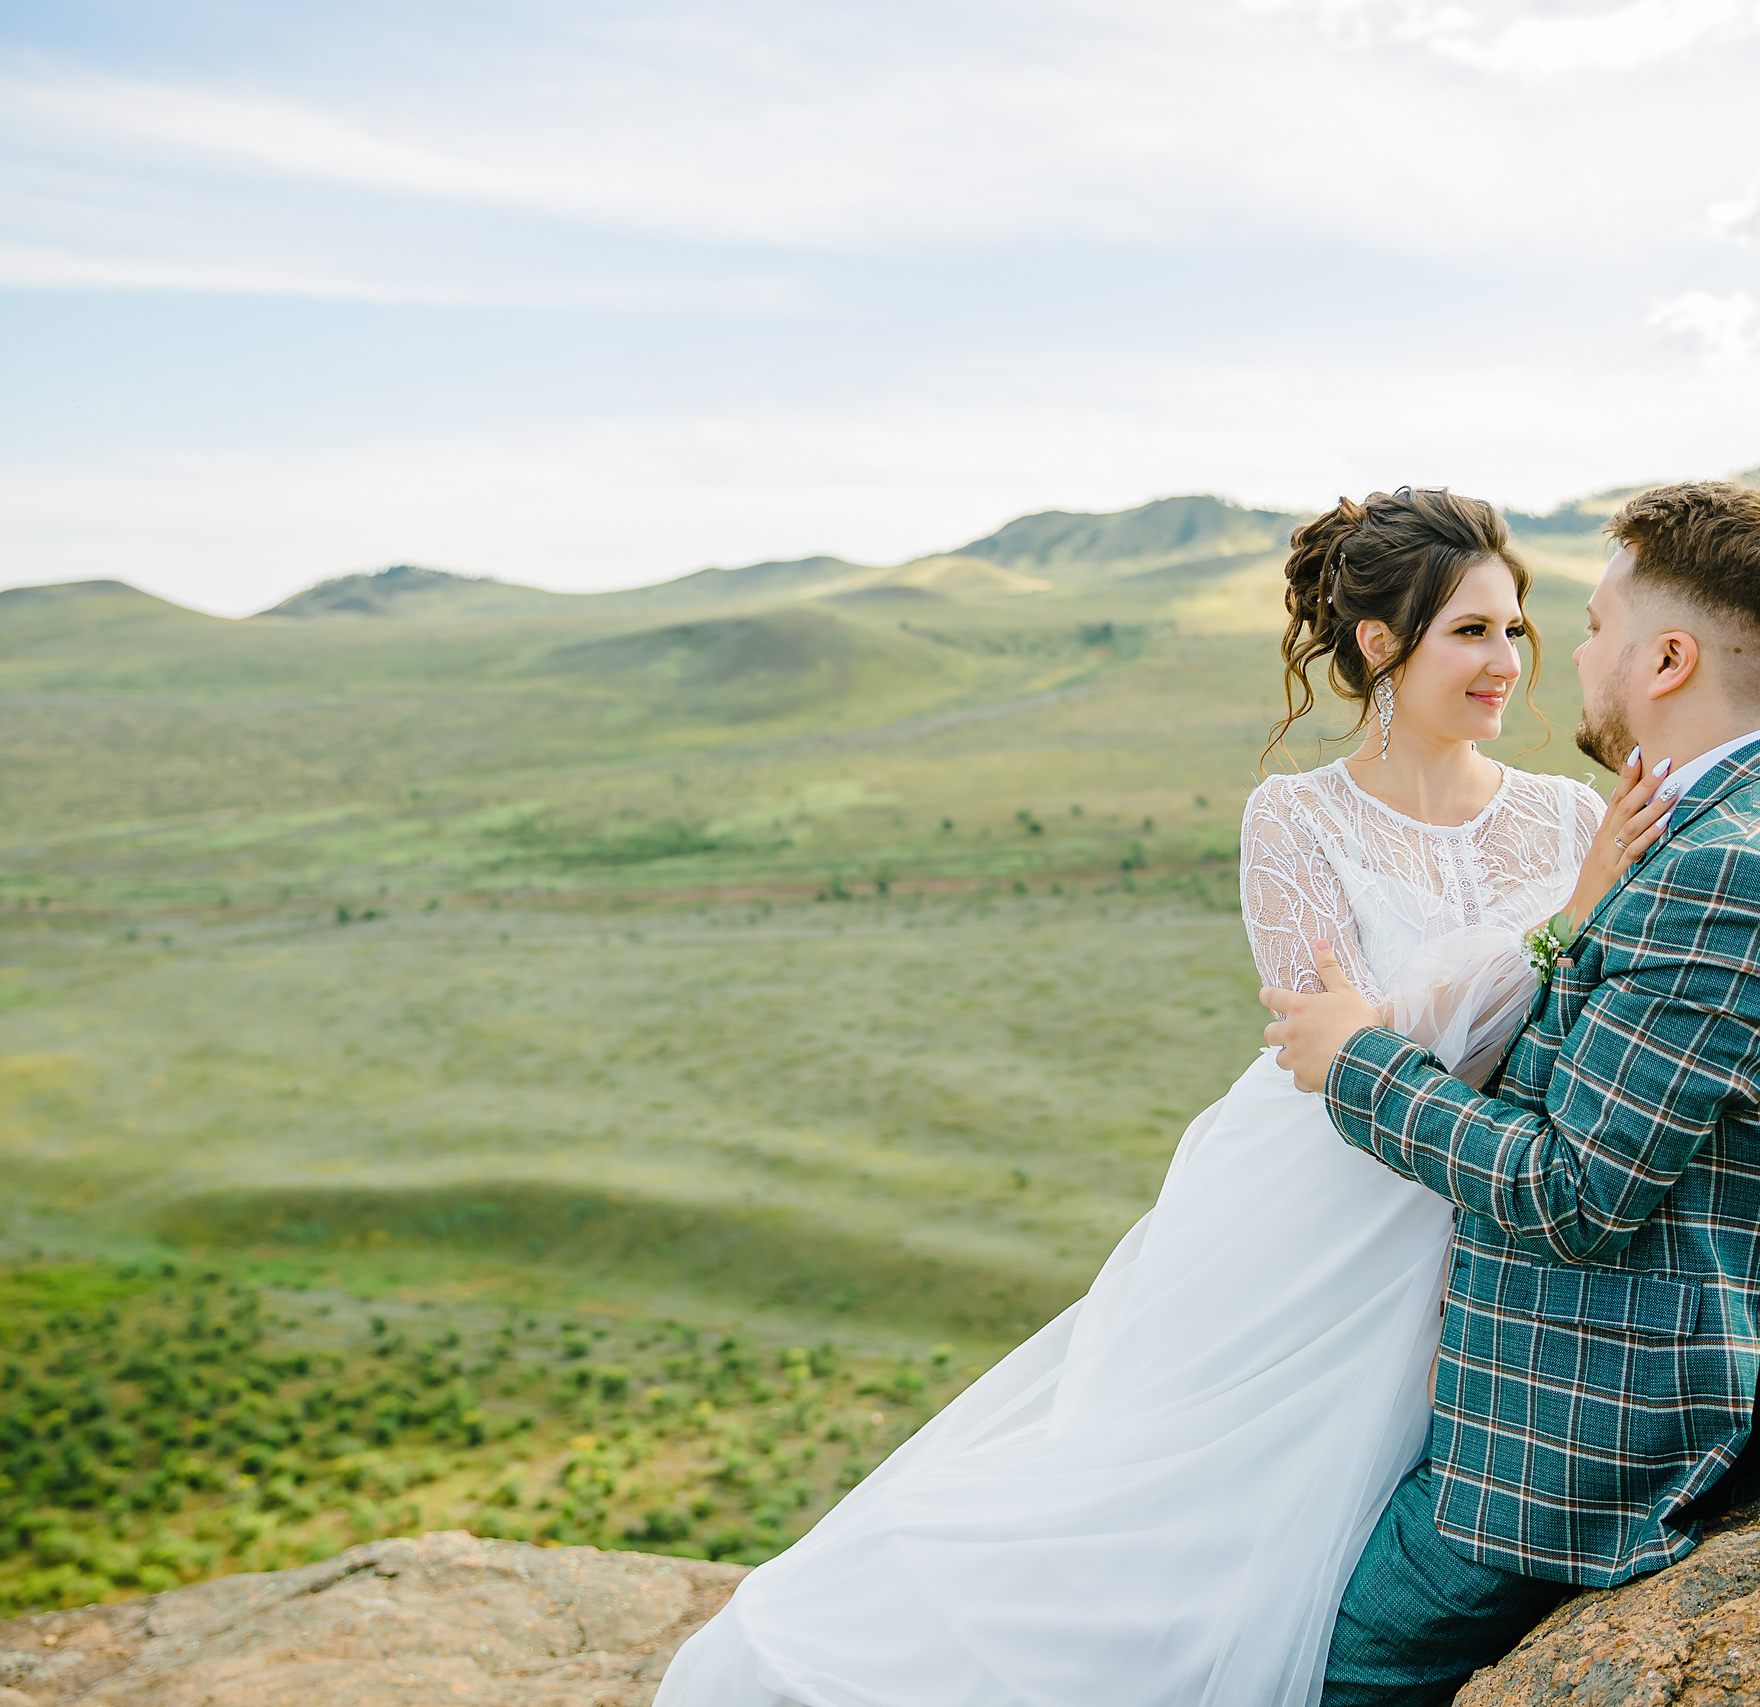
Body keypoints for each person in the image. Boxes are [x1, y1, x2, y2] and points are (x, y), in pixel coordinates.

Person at [653, 487, 1659, 1706]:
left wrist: (1521, 946)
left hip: (1481, 1194)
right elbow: (1324, 1051)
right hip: (1321, 1204)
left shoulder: (1564, 816)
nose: (1506, 663)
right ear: (1380, 644)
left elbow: (1443, 1025)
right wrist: (1557, 927)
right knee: (1181, 1502)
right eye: (1469, 633)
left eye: (1515, 630)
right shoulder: (1294, 819)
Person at [1264, 479, 1760, 1705]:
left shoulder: (1726, 870)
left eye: (1592, 627)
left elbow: (1567, 1195)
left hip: (1593, 1426)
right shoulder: (1738, 823)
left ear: (1666, 657)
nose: (1567, 656)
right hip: (1602, 1348)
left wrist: (1357, 1062)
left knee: (1332, 1669)